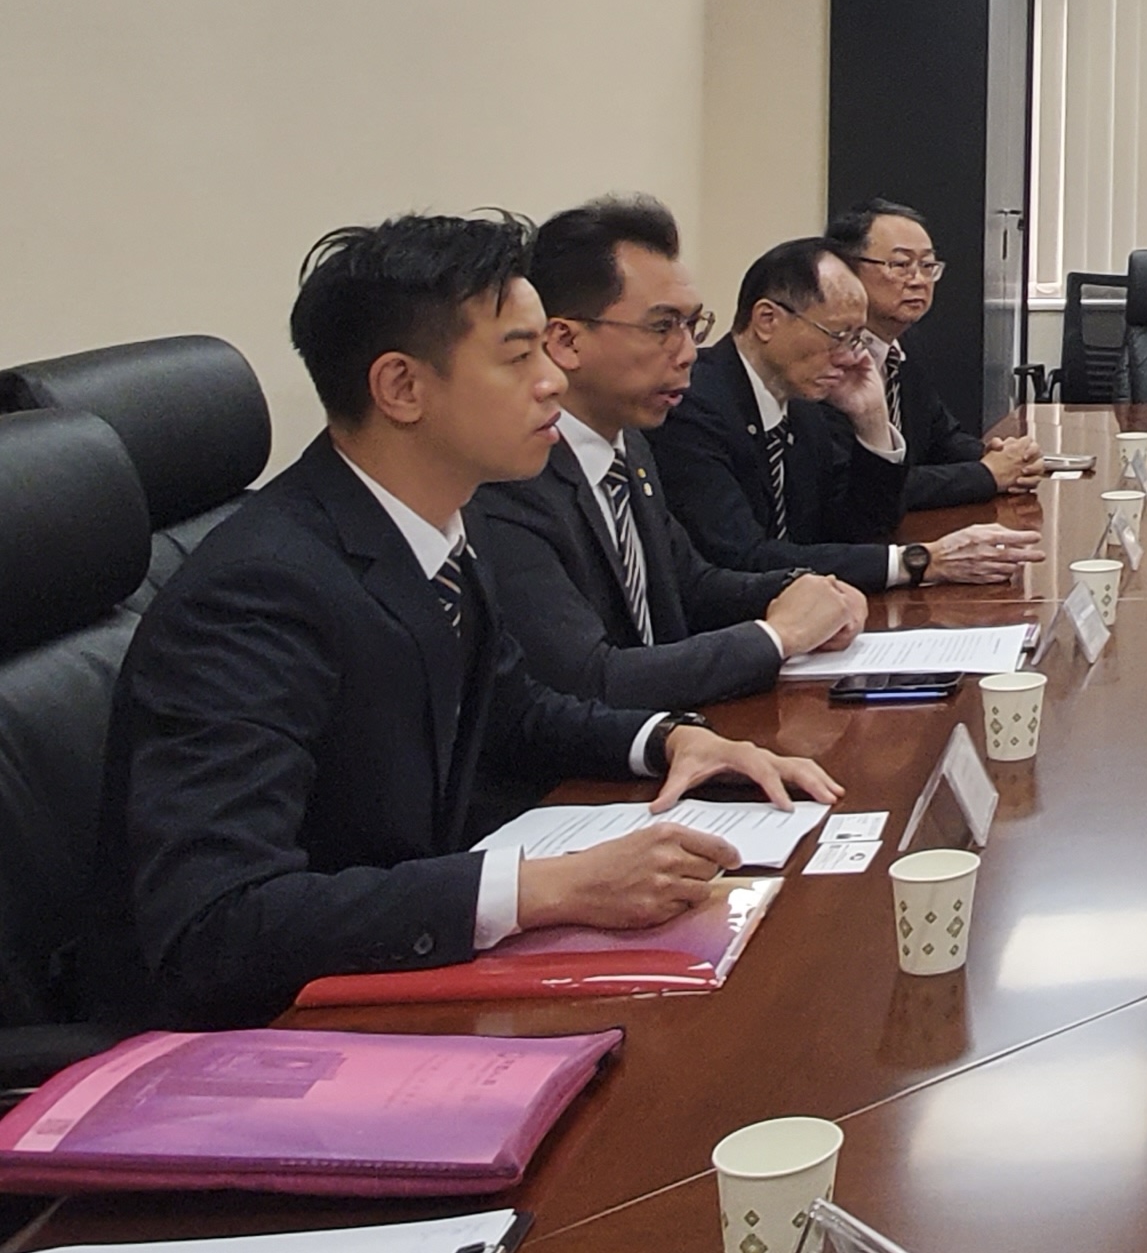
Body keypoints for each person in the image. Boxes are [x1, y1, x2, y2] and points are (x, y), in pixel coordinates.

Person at [86, 214, 843, 1029]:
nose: (552, 379)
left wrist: (668, 739)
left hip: (397, 983)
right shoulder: (258, 591)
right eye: (518, 357)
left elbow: (515, 710)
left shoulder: (434, 528)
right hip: (257, 1039)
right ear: (402, 388)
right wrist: (545, 887)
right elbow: (216, 924)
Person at [474, 197, 866, 713]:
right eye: (663, 327)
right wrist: (779, 637)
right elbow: (591, 679)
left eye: (691, 326)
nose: (688, 353)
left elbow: (690, 585)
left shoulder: (630, 445)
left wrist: (805, 588)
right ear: (565, 341)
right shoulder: (513, 475)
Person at [659, 238, 1042, 593]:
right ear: (767, 320)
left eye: (856, 338)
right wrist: (921, 561)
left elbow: (861, 529)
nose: (848, 357)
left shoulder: (804, 403)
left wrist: (872, 423)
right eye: (837, 335)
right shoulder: (692, 405)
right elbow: (743, 557)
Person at [827, 198, 1045, 511]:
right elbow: (866, 486)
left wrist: (1004, 457)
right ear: (847, 270)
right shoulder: (830, 359)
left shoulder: (906, 345)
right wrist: (986, 474)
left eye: (927, 266)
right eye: (900, 265)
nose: (918, 280)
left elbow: (942, 438)